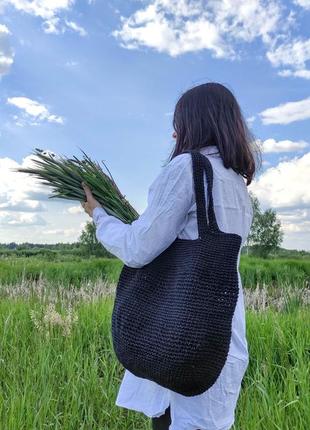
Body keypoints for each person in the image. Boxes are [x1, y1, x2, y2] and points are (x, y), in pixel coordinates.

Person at [81, 82, 262, 430]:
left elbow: (138, 247)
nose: (174, 132)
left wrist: (100, 216)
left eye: (179, 122)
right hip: (220, 338)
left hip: (180, 335)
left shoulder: (188, 168)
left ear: (194, 123)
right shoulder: (236, 183)